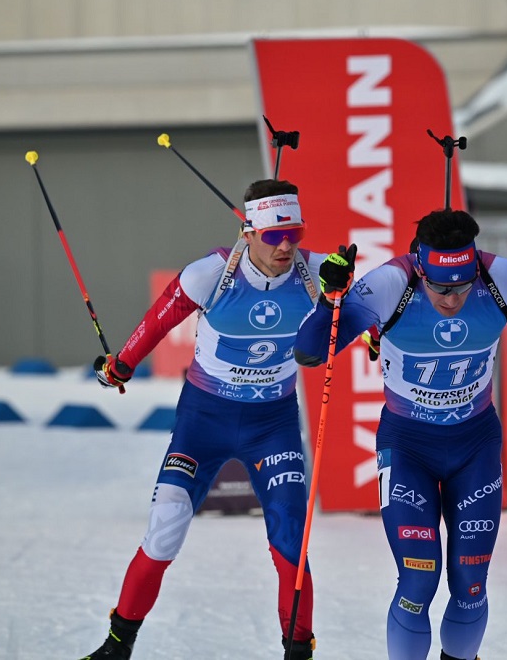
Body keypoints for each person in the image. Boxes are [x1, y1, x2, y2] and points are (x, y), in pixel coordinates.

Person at [294, 209, 507, 660]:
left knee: (470, 585)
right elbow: (311, 353)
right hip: (408, 446)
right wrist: (330, 299)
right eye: (438, 286)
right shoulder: (391, 284)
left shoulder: (500, 279)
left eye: (460, 286)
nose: (451, 299)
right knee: (419, 579)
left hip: (475, 447)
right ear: (420, 266)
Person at [80, 179, 327, 660]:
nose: (287, 246)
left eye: (294, 233)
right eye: (274, 236)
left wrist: (363, 325)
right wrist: (120, 366)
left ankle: (298, 652)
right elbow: (156, 323)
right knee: (165, 527)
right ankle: (116, 646)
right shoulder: (210, 274)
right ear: (248, 231)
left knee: (292, 540)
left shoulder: (317, 275)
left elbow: (370, 318)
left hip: (272, 424)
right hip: (204, 421)